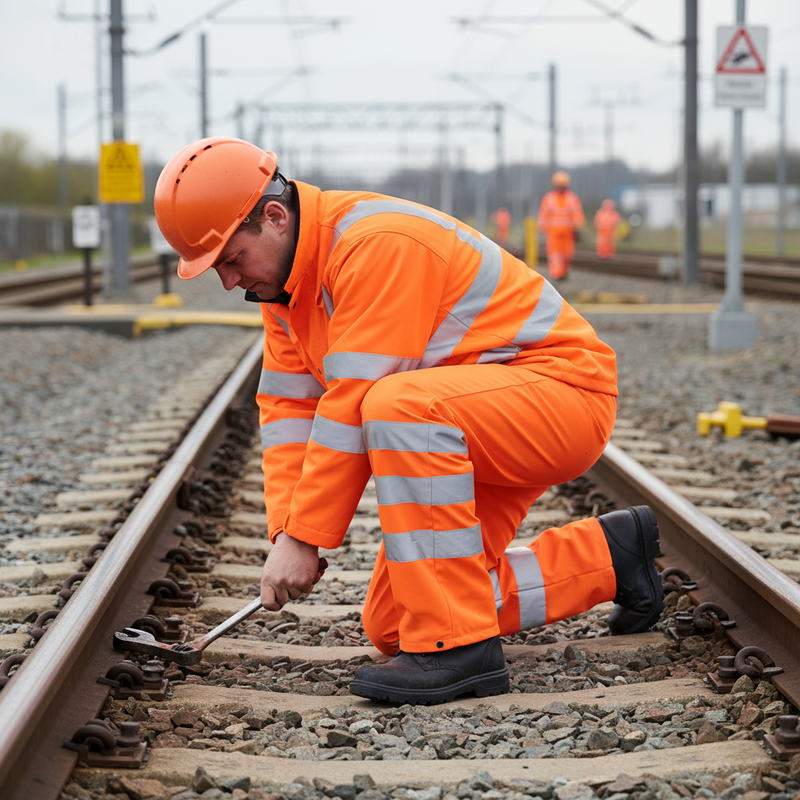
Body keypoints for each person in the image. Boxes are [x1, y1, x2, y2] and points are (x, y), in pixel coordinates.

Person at [154, 137, 664, 706]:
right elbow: (288, 414)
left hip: (559, 396)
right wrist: (286, 532)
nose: (229, 282)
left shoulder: (376, 243)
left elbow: (353, 400)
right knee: (398, 623)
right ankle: (611, 557)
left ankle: (462, 652)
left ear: (275, 217)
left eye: (231, 259)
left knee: (394, 405)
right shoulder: (285, 295)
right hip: (471, 420)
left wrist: (306, 538)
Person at [537, 171, 585, 281]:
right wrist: (542, 227)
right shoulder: (549, 198)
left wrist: (579, 227)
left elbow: (577, 214)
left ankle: (564, 272)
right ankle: (557, 274)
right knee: (555, 255)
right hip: (553, 232)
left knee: (567, 254)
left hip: (568, 232)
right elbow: (544, 214)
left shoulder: (572, 198)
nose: (561, 188)